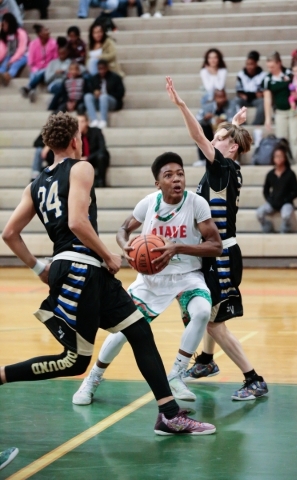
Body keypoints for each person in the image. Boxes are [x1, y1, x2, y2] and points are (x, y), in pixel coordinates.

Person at [0, 112, 216, 436]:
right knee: (72, 361)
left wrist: (39, 268)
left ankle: (169, 414)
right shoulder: (81, 166)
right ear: (76, 140)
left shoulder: (35, 185)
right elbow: (76, 221)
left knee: (140, 332)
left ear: (47, 144)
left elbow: (9, 233)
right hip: (81, 268)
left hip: (77, 268)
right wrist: (107, 254)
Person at [72, 151, 223, 405]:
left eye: (180, 174)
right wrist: (125, 246)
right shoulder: (149, 204)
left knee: (201, 312)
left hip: (187, 276)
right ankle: (92, 379)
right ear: (158, 183)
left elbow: (216, 245)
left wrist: (177, 247)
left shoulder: (197, 203)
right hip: (152, 279)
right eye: (169, 175)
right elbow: (123, 230)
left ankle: (176, 375)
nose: (177, 179)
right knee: (121, 332)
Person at [165, 76, 268, 401]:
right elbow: (221, 138)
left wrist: (181, 106)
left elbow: (197, 135)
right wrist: (234, 124)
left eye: (220, 138)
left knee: (212, 321)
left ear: (231, 147)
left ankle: (254, 379)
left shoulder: (221, 166)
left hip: (222, 256)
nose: (213, 140)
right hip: (219, 253)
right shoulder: (227, 167)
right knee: (208, 310)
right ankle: (207, 361)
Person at [263, 51, 297, 165]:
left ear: (279, 63)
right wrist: (267, 118)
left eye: (273, 66)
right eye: (268, 67)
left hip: (294, 110)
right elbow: (267, 99)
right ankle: (286, 164)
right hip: (280, 112)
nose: (271, 69)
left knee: (295, 138)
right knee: (281, 139)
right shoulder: (268, 79)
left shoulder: (290, 73)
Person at [194, 48, 228, 167]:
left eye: (215, 57)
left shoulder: (223, 70)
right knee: (201, 126)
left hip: (220, 102)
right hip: (207, 102)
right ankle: (203, 157)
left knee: (224, 125)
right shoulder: (204, 71)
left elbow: (220, 86)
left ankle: (226, 156)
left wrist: (213, 73)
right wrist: (213, 75)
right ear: (207, 60)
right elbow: (209, 88)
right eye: (210, 58)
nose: (213, 60)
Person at [256, 145, 297, 233]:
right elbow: (265, 191)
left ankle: (285, 229)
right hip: (273, 202)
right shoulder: (270, 174)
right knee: (259, 213)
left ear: (285, 157)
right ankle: (268, 227)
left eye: (281, 156)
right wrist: (270, 200)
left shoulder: (290, 174)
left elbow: (296, 191)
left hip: (286, 202)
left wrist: (287, 199)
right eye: (276, 156)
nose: (278, 158)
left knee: (286, 215)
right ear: (273, 158)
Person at [20, 23, 58, 102]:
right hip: (36, 70)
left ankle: (29, 88)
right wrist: (35, 70)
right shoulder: (33, 44)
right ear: (40, 34)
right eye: (45, 30)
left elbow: (55, 60)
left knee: (42, 72)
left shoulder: (54, 43)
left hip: (48, 70)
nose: (48, 32)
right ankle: (32, 91)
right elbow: (31, 62)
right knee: (35, 73)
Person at [84, 59, 125, 129]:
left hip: (112, 101)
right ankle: (94, 120)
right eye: (99, 69)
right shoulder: (94, 78)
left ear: (107, 68)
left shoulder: (115, 78)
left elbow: (121, 93)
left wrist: (105, 94)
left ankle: (103, 121)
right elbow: (87, 89)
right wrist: (94, 92)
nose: (101, 71)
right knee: (87, 96)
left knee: (103, 97)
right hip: (98, 101)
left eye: (103, 69)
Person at [233, 50, 266, 125]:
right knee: (236, 100)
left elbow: (261, 94)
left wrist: (248, 95)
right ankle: (241, 123)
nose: (249, 67)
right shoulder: (241, 75)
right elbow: (239, 92)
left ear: (256, 64)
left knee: (262, 101)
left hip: (256, 100)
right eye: (247, 64)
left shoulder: (263, 75)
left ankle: (257, 123)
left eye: (251, 64)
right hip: (244, 99)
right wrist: (254, 95)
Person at [78, 114, 110, 187]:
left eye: (82, 121)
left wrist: (87, 158)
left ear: (87, 122)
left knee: (101, 156)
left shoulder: (96, 132)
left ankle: (101, 181)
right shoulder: (75, 136)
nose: (79, 124)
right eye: (77, 122)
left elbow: (102, 148)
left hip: (94, 158)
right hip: (82, 160)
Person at [0, 12, 27, 86]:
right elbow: (2, 49)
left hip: (23, 55)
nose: (3, 26)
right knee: (3, 64)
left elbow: (21, 49)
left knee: (15, 65)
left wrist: (12, 60)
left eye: (5, 24)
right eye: (3, 24)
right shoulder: (5, 34)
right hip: (10, 54)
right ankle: (1, 75)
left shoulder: (20, 33)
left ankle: (8, 75)